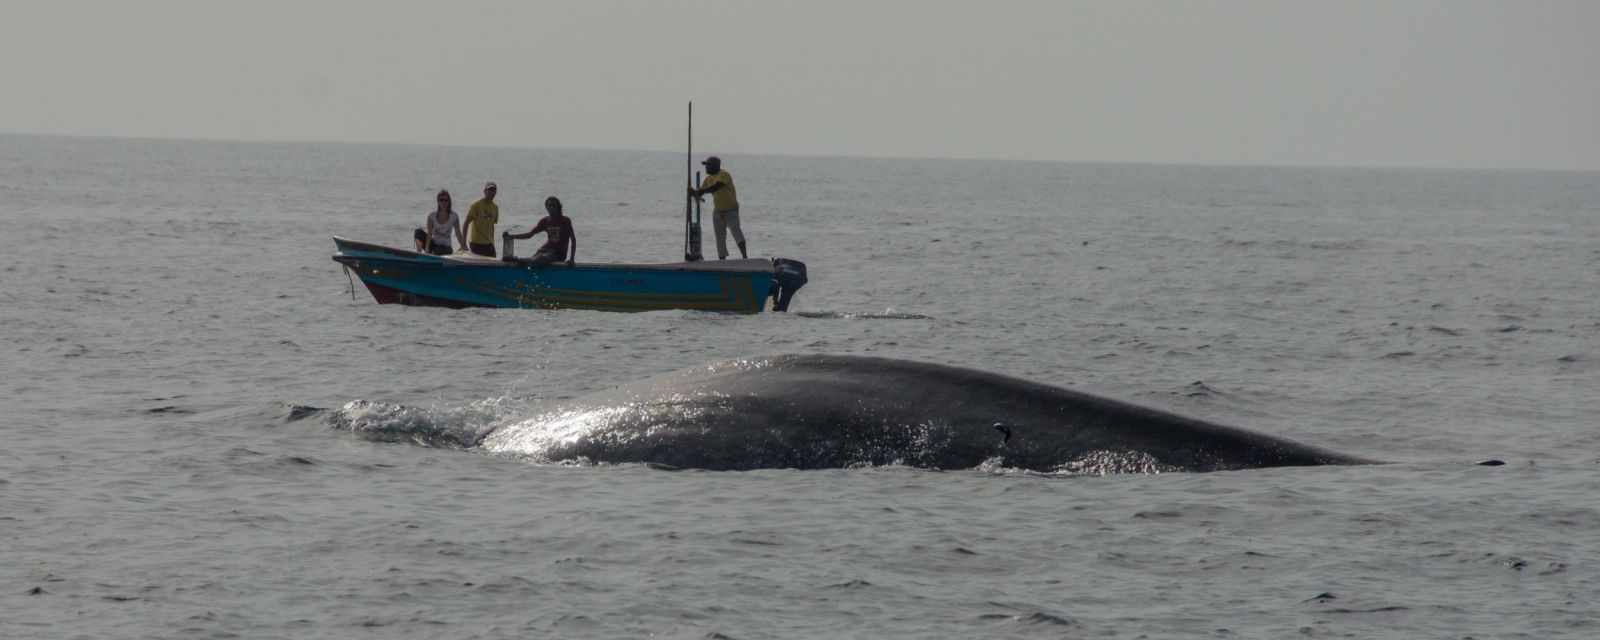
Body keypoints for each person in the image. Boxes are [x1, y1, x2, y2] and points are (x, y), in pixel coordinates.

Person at [688, 156, 746, 259]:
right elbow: (700, 193)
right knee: (719, 236)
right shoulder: (708, 179)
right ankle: (722, 259)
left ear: (715, 166)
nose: (706, 168)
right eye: (706, 165)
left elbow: (716, 187)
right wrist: (693, 192)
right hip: (718, 211)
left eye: (708, 165)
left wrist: (701, 191)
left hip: (730, 210)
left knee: (736, 231)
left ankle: (745, 257)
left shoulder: (724, 174)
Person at [505, 196, 577, 266]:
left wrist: (572, 259)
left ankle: (518, 259)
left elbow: (573, 240)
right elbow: (530, 234)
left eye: (553, 205)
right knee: (534, 260)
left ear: (558, 207)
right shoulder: (545, 221)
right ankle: (518, 261)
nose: (551, 208)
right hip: (544, 250)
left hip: (558, 254)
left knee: (539, 259)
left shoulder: (565, 221)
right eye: (548, 205)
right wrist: (512, 236)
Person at [415, 190, 463, 255]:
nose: (443, 202)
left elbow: (458, 233)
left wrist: (463, 246)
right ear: (438, 201)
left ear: (449, 202)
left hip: (446, 247)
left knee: (438, 250)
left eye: (446, 200)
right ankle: (419, 254)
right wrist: (426, 248)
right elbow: (429, 234)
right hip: (434, 245)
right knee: (418, 231)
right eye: (441, 200)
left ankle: (432, 254)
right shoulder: (432, 216)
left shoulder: (454, 216)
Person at [462, 181, 500, 257]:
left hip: (489, 244)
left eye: (493, 190)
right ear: (485, 191)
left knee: (493, 266)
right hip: (476, 244)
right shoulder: (476, 205)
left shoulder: (495, 208)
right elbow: (466, 223)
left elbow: (492, 226)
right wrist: (463, 243)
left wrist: (493, 243)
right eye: (489, 190)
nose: (491, 192)